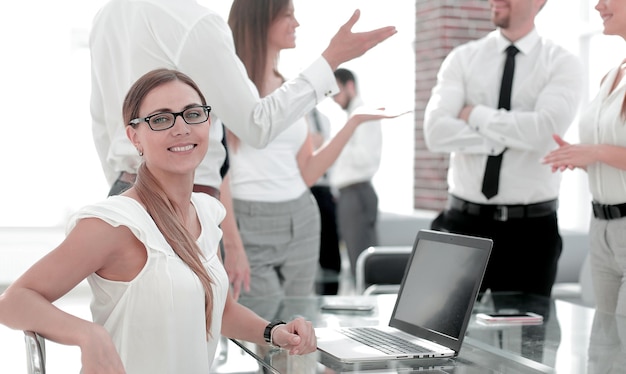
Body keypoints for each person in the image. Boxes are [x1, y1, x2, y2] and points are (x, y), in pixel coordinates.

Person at [0, 69, 316, 374]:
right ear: (134, 136)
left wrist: (275, 332)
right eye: (161, 119)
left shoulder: (207, 213)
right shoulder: (114, 224)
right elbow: (12, 301)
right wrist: (87, 335)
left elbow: (217, 309)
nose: (181, 128)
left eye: (193, 114)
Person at [89, 0, 397, 299]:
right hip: (184, 201)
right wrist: (331, 59)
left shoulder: (108, 15)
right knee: (190, 334)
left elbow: (102, 122)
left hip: (128, 188)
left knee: (137, 329)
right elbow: (256, 124)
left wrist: (127, 189)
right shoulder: (195, 22)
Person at [226, 0, 402, 300]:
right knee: (264, 328)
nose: (297, 24)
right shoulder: (230, 88)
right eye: (287, 15)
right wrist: (232, 245)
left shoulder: (292, 91)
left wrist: (354, 122)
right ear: (259, 21)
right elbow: (219, 174)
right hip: (249, 222)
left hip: (302, 217)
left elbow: (308, 171)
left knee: (300, 327)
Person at [423, 0, 583, 297]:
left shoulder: (561, 63)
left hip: (530, 233)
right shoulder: (462, 59)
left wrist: (475, 115)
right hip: (461, 225)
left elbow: (542, 133)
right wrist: (507, 139)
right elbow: (435, 132)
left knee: (530, 340)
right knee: (438, 333)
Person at [541, 0, 626, 315]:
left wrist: (595, 152)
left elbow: (606, 150)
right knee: (603, 346)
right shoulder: (612, 74)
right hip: (602, 226)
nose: (597, 6)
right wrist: (581, 156)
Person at [330, 68, 383, 278]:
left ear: (349, 86)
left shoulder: (363, 114)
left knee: (363, 265)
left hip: (357, 194)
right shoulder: (353, 116)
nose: (334, 99)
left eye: (336, 92)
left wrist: (335, 146)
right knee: (356, 263)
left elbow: (366, 157)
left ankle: (370, 306)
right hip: (349, 196)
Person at [306, 107, 342, 295]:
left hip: (326, 189)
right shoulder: (295, 119)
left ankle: (330, 296)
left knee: (330, 252)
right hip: (306, 187)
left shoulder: (324, 119)